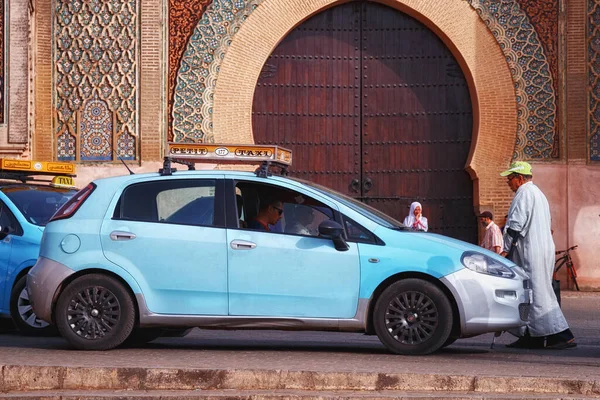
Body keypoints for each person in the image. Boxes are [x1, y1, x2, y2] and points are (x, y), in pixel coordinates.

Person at [500, 161, 576, 349]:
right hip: (541, 249)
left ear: (519, 178)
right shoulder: (538, 194)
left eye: (510, 179)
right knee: (529, 294)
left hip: (530, 252)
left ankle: (561, 335)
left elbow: (515, 225)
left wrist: (505, 250)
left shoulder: (524, 193)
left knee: (538, 293)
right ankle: (531, 335)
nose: (508, 183)